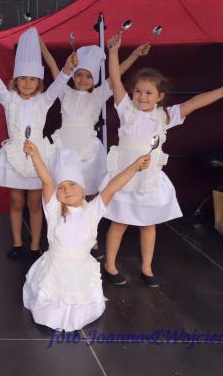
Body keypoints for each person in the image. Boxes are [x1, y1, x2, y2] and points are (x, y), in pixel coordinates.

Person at [102, 33, 223, 287]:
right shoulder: (126, 110)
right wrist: (113, 53)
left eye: (148, 93)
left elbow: (194, 103)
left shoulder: (165, 116)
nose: (142, 96)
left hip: (149, 180)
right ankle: (110, 265)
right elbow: (116, 80)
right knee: (119, 223)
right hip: (125, 179)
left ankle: (147, 267)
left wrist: (222, 90)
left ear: (159, 96)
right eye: (138, 91)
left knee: (148, 225)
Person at [21, 144, 150, 332]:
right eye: (62, 187)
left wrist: (135, 166)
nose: (67, 190)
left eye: (73, 184)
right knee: (49, 307)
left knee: (81, 305)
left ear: (83, 189)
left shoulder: (92, 210)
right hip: (56, 268)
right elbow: (47, 180)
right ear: (56, 193)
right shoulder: (53, 209)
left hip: (81, 269)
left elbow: (112, 186)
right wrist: (35, 156)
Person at [45, 40, 150, 258]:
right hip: (65, 151)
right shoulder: (64, 91)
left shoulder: (98, 94)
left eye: (88, 76)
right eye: (79, 75)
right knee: (63, 192)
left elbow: (117, 75)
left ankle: (89, 236)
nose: (83, 80)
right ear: (73, 75)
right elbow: (54, 67)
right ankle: (61, 232)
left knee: (89, 196)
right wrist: (42, 47)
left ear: (95, 79)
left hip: (87, 153)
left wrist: (135, 55)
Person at [0, 29, 74, 261]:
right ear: (15, 80)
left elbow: (57, 87)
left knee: (35, 203)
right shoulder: (9, 99)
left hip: (36, 157)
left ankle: (35, 245)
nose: (27, 83)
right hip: (14, 157)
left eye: (32, 79)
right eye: (23, 78)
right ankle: (17, 243)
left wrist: (66, 69)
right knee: (16, 201)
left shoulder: (43, 101)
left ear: (39, 82)